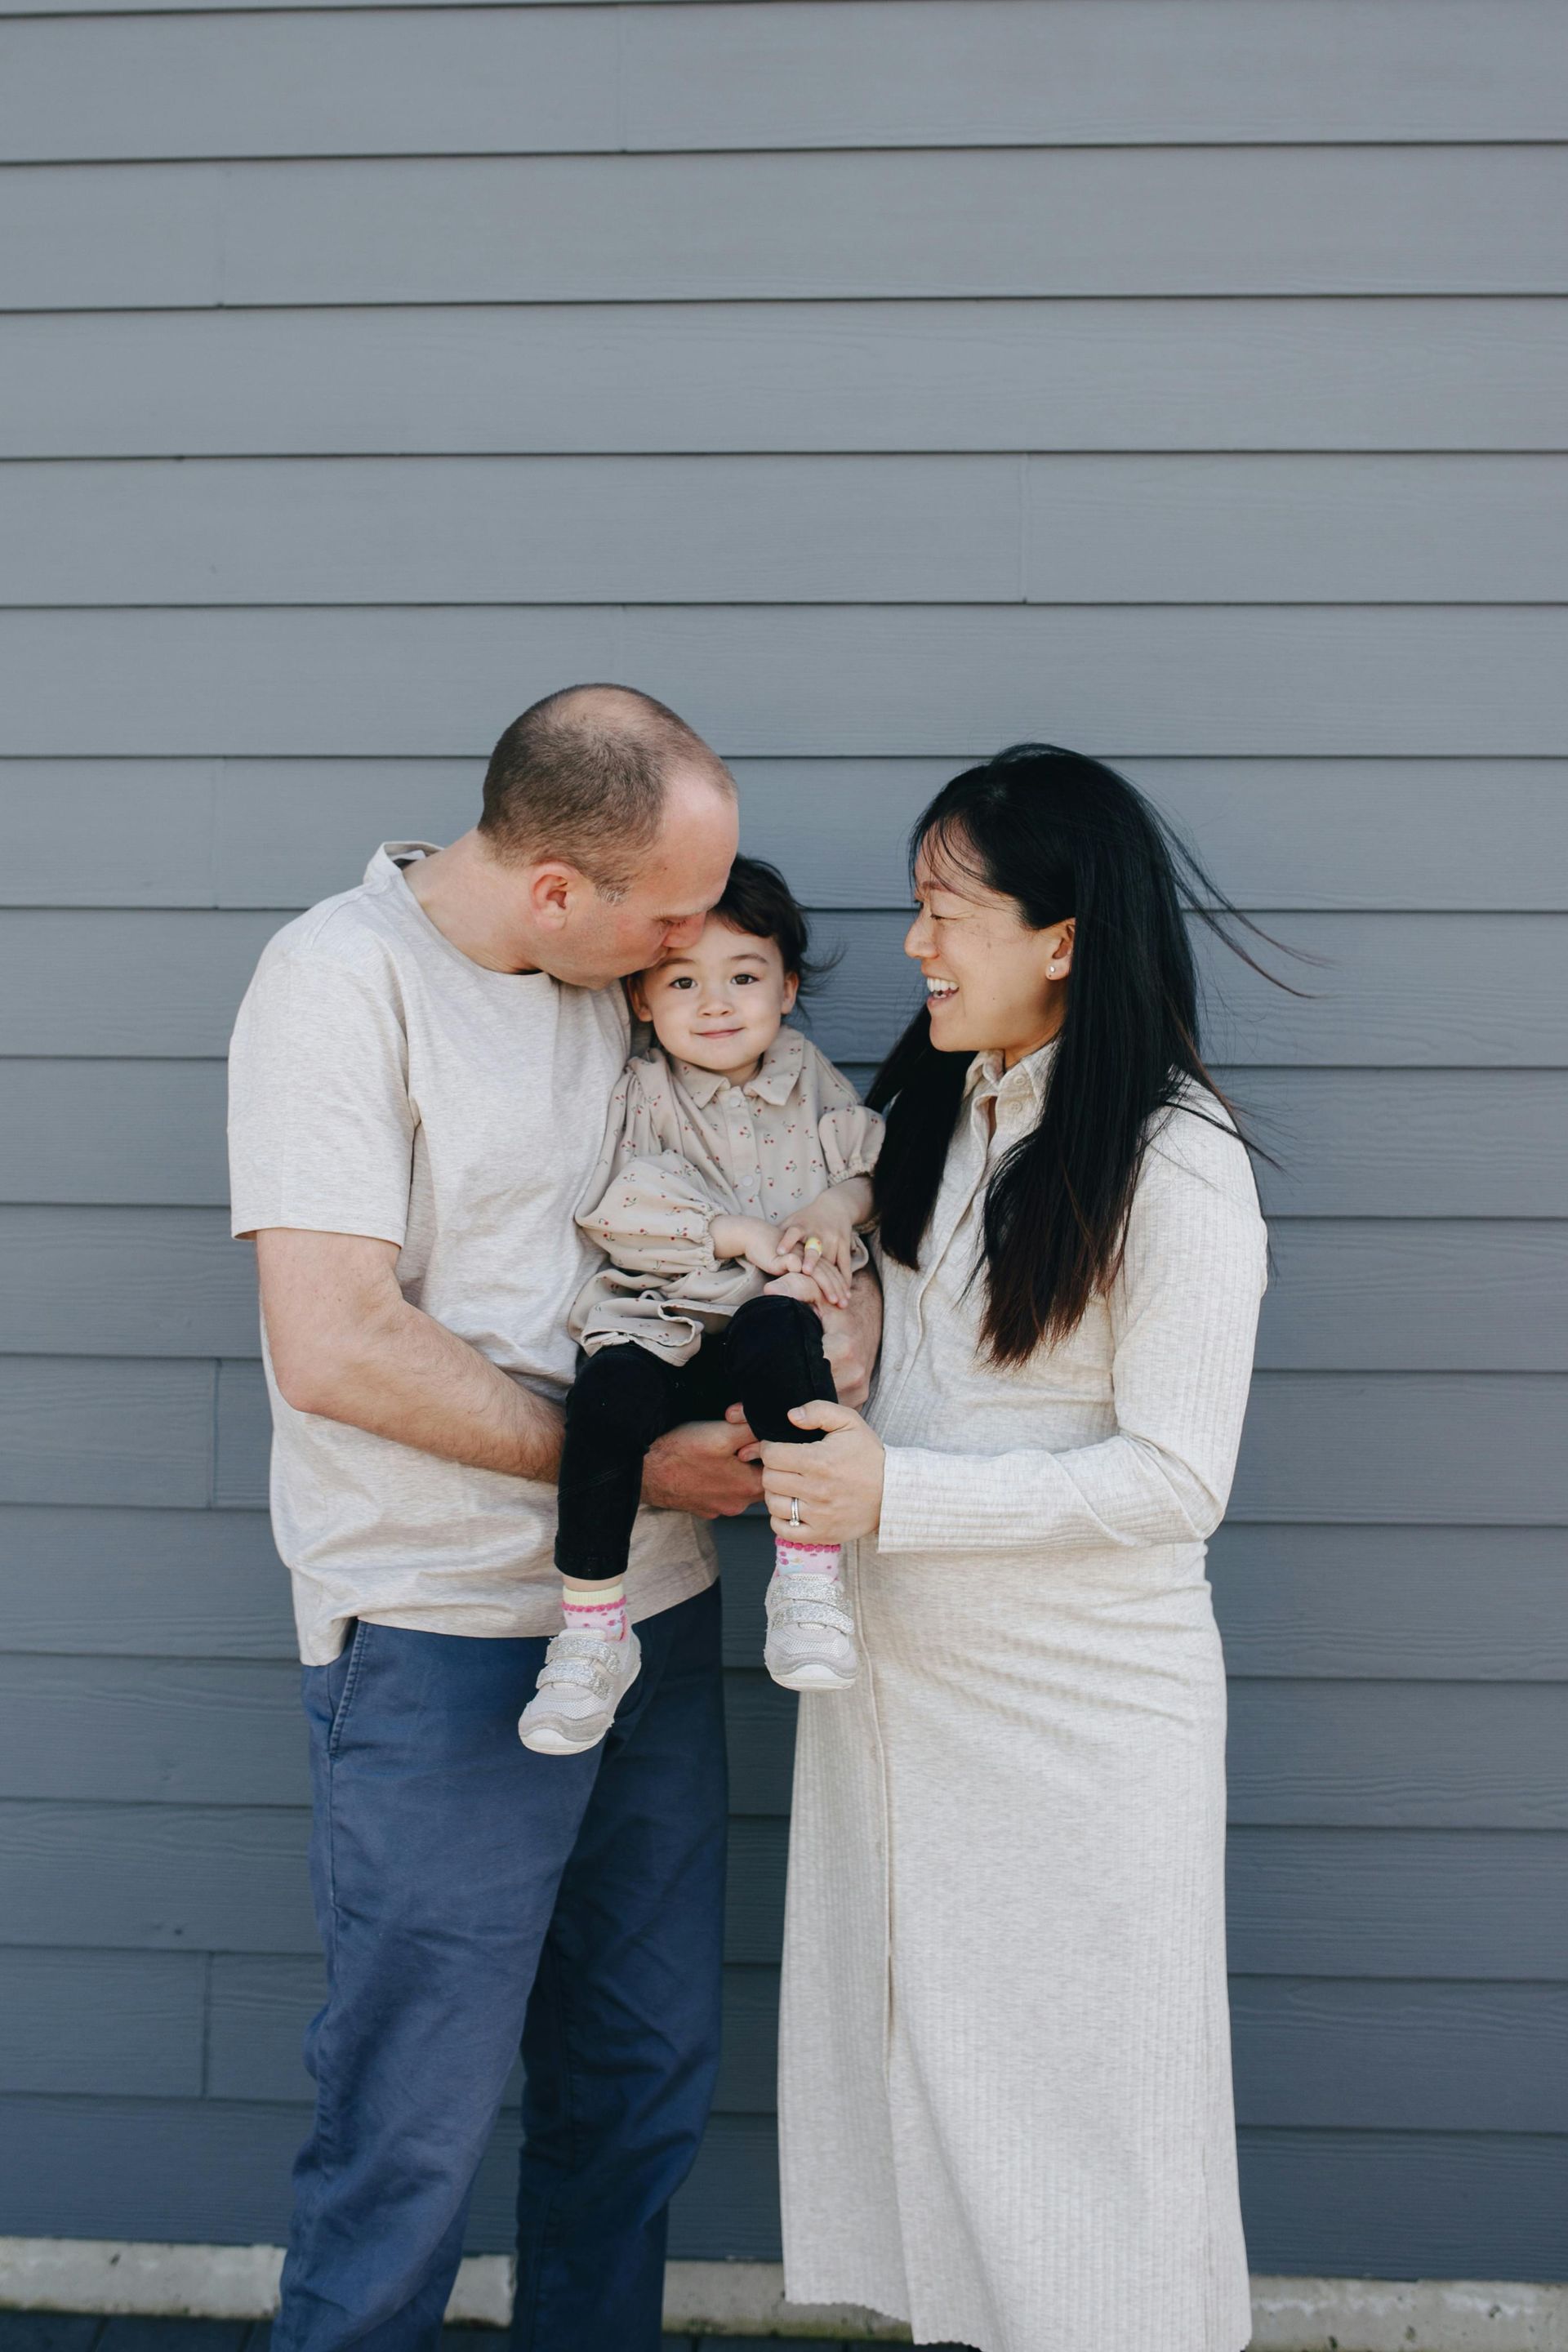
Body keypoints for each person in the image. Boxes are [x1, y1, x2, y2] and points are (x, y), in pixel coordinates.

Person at [225, 682, 881, 2352]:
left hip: (651, 1621)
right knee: (411, 2134)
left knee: (638, 2091)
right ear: (557, 896)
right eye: (673, 914)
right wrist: (632, 1464)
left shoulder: (622, 992)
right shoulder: (339, 985)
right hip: (440, 1634)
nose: (702, 945)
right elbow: (336, 1344)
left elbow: (768, 1174)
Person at [760, 745, 1272, 2352]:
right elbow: (930, 1377)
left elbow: (1178, 1480)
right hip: (901, 1707)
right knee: (939, 2120)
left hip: (1079, 1734)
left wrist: (897, 1500)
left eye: (945, 910)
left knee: (1093, 2157)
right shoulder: (939, 1111)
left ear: (1063, 937)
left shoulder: (1176, 1160)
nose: (915, 944)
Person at [519, 855, 883, 1755]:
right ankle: (594, 1630)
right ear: (643, 999)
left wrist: (836, 1206)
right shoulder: (642, 1092)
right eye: (684, 981)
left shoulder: (809, 1077)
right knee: (605, 1400)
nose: (715, 1003)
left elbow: (869, 1168)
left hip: (761, 1332)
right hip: (664, 1315)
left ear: (788, 989)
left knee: (783, 1328)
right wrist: (735, 1232)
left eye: (744, 977)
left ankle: (806, 1577)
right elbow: (620, 1207)